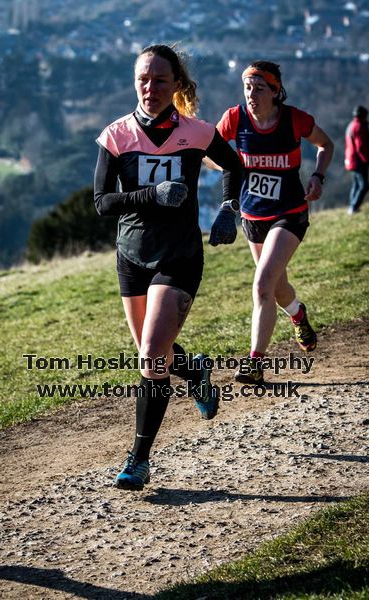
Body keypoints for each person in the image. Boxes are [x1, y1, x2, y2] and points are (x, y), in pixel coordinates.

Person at [94, 44, 241, 490]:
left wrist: (227, 209)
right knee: (150, 353)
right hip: (131, 255)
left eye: (160, 80)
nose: (150, 87)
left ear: (176, 85)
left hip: (178, 255)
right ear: (134, 82)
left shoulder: (196, 132)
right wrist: (152, 196)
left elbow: (234, 166)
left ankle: (138, 459)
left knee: (152, 354)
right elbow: (103, 203)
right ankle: (195, 371)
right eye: (143, 79)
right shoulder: (116, 135)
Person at [209, 60, 334, 384]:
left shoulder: (294, 119)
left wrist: (318, 176)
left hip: (289, 213)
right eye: (248, 87)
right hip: (252, 217)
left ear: (275, 91)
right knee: (277, 288)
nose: (252, 94)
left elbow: (326, 144)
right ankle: (297, 313)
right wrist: (229, 164)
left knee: (262, 284)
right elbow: (210, 153)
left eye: (259, 88)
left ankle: (254, 363)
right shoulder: (234, 119)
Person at [345, 105, 369, 214]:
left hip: (350, 159)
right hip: (358, 160)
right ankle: (354, 207)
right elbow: (361, 147)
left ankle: (352, 206)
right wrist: (366, 159)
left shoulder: (351, 125)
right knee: (364, 185)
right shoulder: (359, 127)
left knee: (356, 184)